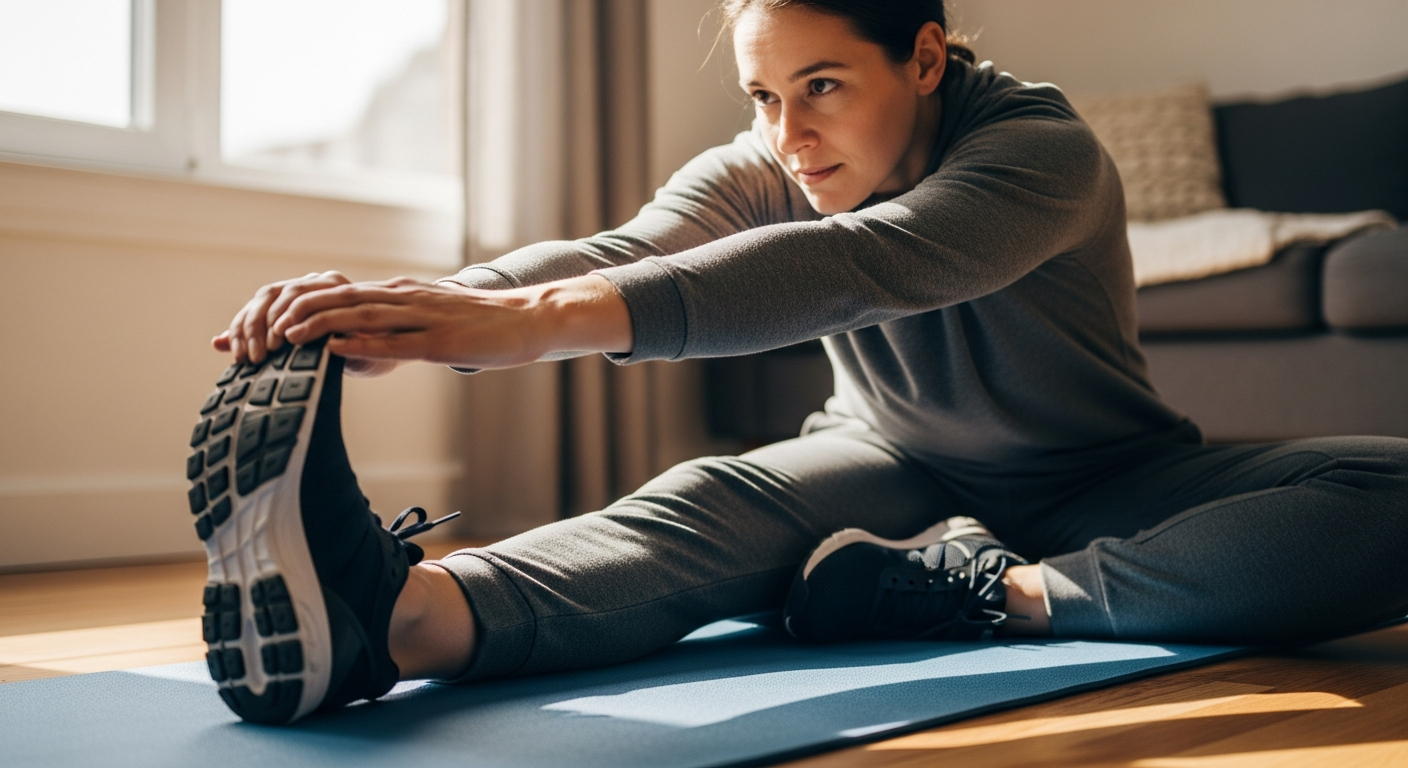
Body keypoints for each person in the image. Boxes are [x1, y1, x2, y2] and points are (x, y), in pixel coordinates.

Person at [190, 0, 1408, 725]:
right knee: (699, 505)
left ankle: (998, 592)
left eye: (820, 86)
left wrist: (537, 318)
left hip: (1101, 476)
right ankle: (390, 622)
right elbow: (636, 249)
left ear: (924, 59)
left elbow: (866, 264)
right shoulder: (771, 159)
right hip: (878, 467)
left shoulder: (1040, 151)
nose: (788, 135)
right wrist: (433, 302)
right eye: (765, 94)